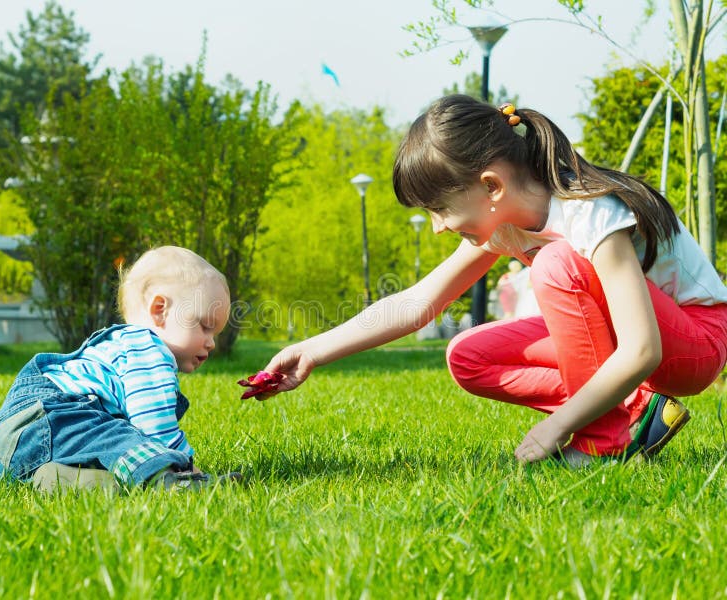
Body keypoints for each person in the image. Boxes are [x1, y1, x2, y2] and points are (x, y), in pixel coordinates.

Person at [259, 95, 727, 467]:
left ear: (491, 186)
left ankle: (603, 442)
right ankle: (637, 414)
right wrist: (314, 351)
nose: (438, 226)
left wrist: (556, 425)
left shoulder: (590, 213)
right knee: (468, 355)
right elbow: (418, 302)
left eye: (440, 209)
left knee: (555, 264)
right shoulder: (503, 225)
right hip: (641, 343)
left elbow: (643, 350)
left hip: (696, 340)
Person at [0, 246, 239, 491]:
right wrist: (184, 466)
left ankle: (60, 477)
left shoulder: (122, 346)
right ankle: (172, 480)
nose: (211, 342)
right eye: (205, 326)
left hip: (9, 449)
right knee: (120, 437)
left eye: (215, 332)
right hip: (46, 422)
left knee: (112, 449)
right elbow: (155, 425)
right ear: (160, 310)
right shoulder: (147, 348)